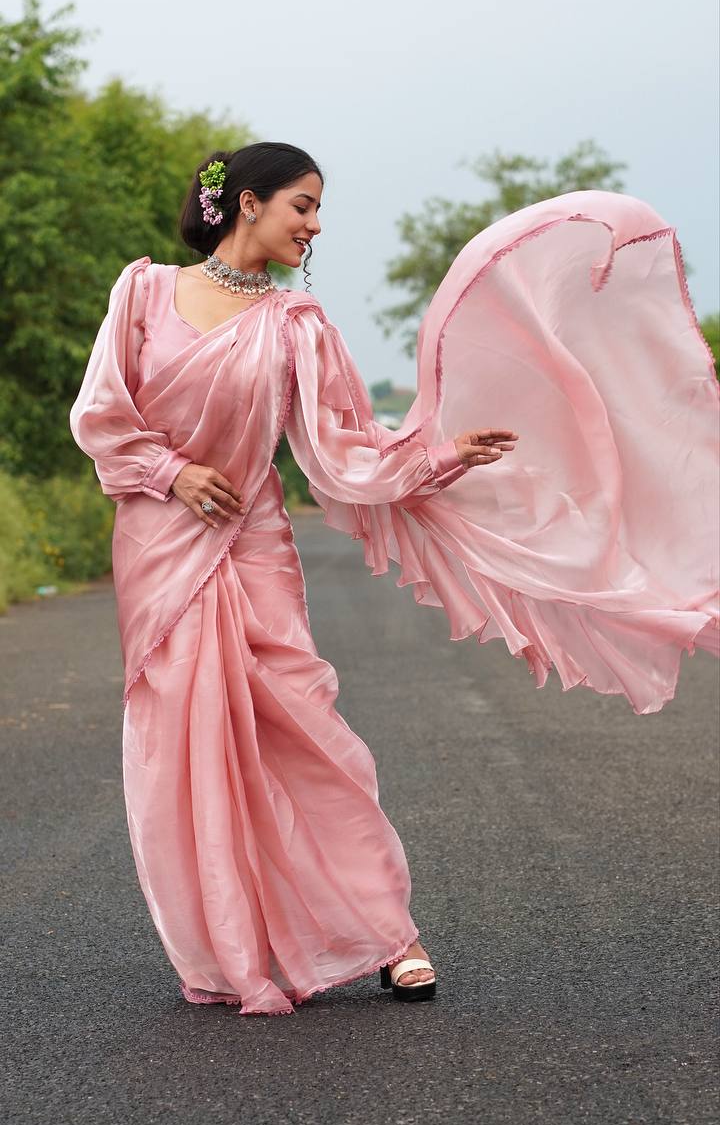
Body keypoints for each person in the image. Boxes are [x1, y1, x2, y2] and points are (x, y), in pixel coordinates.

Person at [69, 141, 719, 1017]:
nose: (316, 223)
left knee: (310, 738)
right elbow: (100, 416)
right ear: (249, 204)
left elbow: (341, 458)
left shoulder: (297, 327)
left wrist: (441, 456)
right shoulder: (141, 292)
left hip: (254, 546)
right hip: (159, 544)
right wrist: (170, 474)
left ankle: (386, 935)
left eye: (317, 207)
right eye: (303, 205)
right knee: (185, 746)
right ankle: (235, 945)